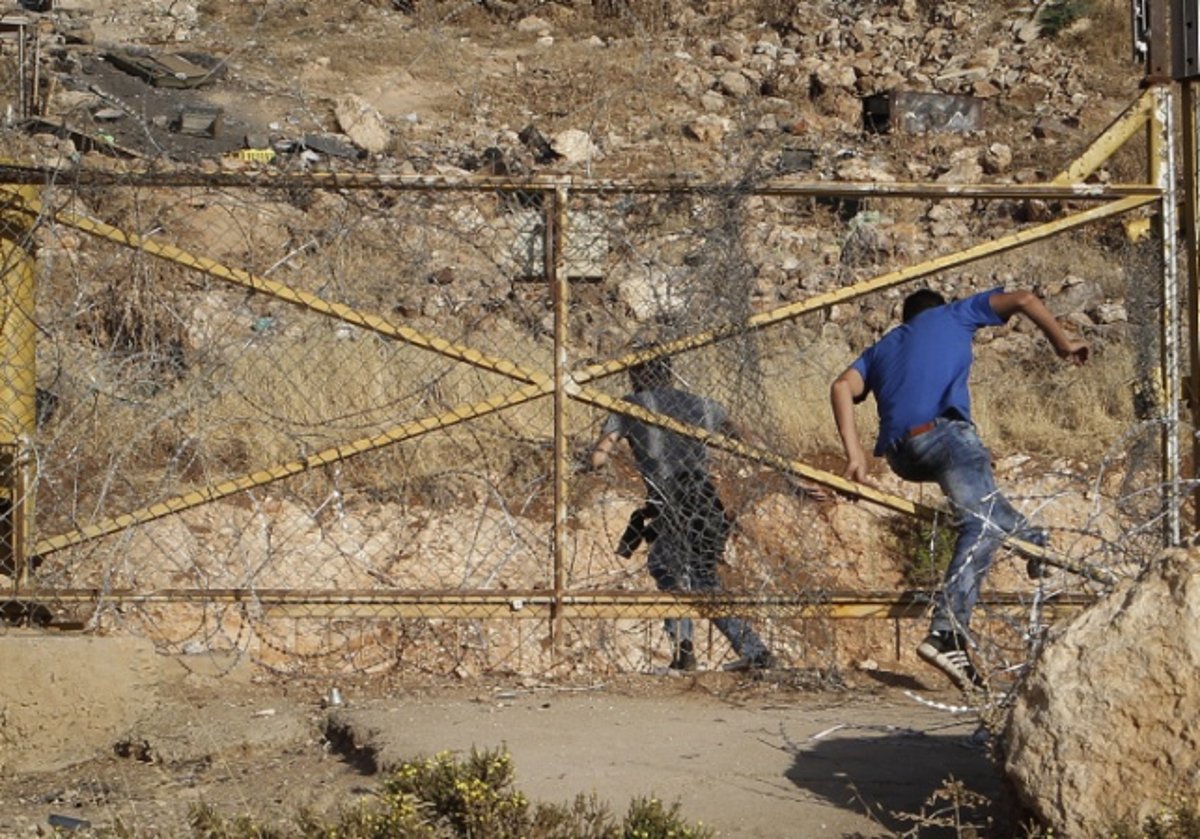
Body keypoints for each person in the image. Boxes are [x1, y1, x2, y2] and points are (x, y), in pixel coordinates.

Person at [829, 287, 1088, 691]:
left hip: (903, 456)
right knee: (981, 524)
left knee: (984, 510)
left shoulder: (883, 347)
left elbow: (841, 386)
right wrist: (1063, 343)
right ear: (939, 309)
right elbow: (1022, 298)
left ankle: (1035, 541)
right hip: (945, 435)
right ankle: (946, 634)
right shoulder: (953, 315)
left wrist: (855, 454)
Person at [591, 356, 774, 672]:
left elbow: (599, 457)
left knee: (668, 572)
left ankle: (684, 650)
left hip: (667, 499)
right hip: (703, 499)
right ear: (670, 372)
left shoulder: (630, 405)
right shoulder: (700, 403)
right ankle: (753, 649)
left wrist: (584, 461)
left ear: (634, 375)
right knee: (704, 579)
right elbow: (744, 437)